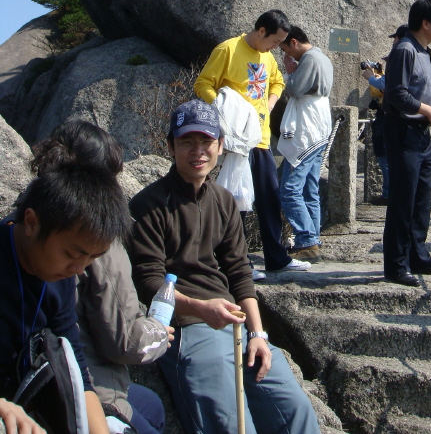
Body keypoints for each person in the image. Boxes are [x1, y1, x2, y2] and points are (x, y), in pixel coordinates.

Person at [127, 102, 320, 434]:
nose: (198, 151)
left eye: (207, 142)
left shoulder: (223, 200)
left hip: (237, 326)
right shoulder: (149, 204)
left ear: (220, 145)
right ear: (171, 146)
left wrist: (258, 334)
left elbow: (239, 271)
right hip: (187, 327)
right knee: (228, 421)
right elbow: (148, 281)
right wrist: (203, 310)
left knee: (295, 410)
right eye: (187, 142)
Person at [28, 122, 171, 434]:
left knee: (153, 406)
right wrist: (159, 333)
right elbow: (124, 341)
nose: (78, 268)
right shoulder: (96, 242)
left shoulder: (35, 215)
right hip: (85, 388)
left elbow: (71, 347)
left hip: (81, 378)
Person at [0, 162, 131, 434]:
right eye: (72, 254)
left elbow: (75, 369)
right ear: (32, 223)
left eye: (92, 258)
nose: (79, 269)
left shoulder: (58, 279)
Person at [194, 10, 310, 274]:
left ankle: (277, 259)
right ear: (260, 31)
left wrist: (269, 105)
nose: (276, 47)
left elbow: (277, 82)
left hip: (260, 139)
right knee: (238, 201)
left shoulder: (267, 58)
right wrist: (224, 110)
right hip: (236, 141)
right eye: (273, 40)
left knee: (269, 197)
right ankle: (237, 263)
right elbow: (203, 84)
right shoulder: (228, 49)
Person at [382, 0, 431, 286]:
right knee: (403, 199)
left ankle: (418, 256)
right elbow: (396, 94)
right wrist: (428, 109)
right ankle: (396, 266)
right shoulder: (404, 50)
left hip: (421, 134)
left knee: (422, 199)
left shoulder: (423, 50)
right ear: (426, 23)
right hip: (404, 131)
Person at [277, 27, 333, 263]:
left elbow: (293, 89)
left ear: (294, 42)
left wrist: (290, 72)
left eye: (286, 49)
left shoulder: (309, 58)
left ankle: (307, 238)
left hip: (308, 127)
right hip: (320, 124)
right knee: (310, 187)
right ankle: (313, 238)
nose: (287, 55)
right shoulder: (322, 57)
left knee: (290, 188)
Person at [360, 25, 408, 205]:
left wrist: (371, 78)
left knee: (386, 157)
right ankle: (392, 193)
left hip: (390, 117)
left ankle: (389, 194)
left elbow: (381, 89)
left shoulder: (401, 59)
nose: (394, 41)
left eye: (395, 38)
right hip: (398, 117)